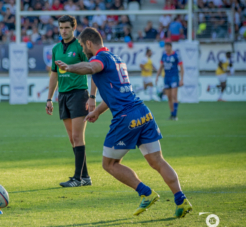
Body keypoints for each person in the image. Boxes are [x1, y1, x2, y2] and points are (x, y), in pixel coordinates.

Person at [55, 27, 192, 218]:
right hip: (143, 112)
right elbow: (116, 94)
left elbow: (91, 68)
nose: (83, 51)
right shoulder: (116, 58)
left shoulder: (99, 58)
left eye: (82, 46)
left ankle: (146, 193)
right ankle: (181, 200)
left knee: (109, 164)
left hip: (125, 118)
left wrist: (69, 67)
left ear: (88, 43)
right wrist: (98, 111)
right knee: (157, 161)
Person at [46, 15, 97, 187]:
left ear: (73, 28)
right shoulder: (56, 49)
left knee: (77, 136)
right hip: (63, 95)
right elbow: (54, 74)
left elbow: (93, 70)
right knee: (71, 138)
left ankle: (77, 178)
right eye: (61, 28)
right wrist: (49, 98)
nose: (63, 31)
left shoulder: (80, 47)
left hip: (78, 94)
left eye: (67, 27)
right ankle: (85, 177)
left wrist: (91, 97)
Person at [155, 42, 184, 120]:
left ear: (171, 47)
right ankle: (172, 114)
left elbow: (181, 67)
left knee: (174, 95)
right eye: (165, 47)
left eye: (168, 47)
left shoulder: (176, 55)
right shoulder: (164, 55)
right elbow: (161, 67)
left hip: (174, 77)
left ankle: (175, 115)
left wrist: (182, 79)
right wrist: (157, 76)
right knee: (169, 97)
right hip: (166, 77)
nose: (166, 48)